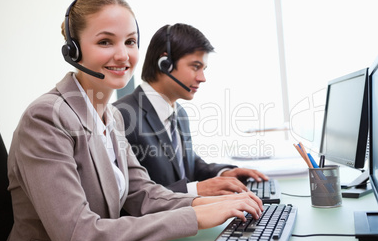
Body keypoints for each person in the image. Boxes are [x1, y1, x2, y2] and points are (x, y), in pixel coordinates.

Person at [1, 0, 263, 241]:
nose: (122, 55)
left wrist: (208, 203)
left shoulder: (112, 116)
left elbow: (143, 194)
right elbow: (78, 238)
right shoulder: (47, 117)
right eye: (105, 41)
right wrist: (195, 217)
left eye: (130, 42)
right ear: (74, 50)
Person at [113, 23, 269, 196]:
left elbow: (188, 166)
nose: (202, 78)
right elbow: (128, 197)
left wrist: (223, 173)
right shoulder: (122, 116)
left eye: (204, 69)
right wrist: (195, 189)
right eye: (195, 66)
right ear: (165, 63)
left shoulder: (179, 113)